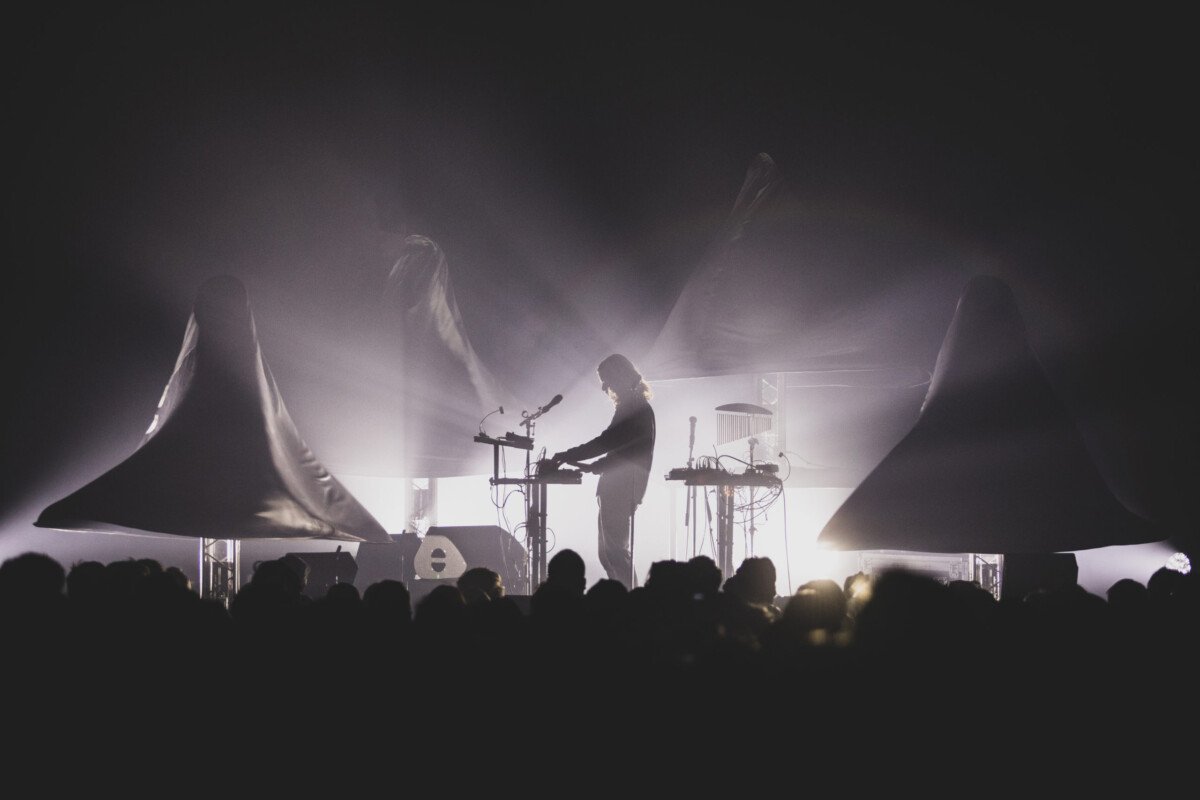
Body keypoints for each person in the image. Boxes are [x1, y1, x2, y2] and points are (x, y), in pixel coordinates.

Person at [550, 354, 655, 588]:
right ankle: (624, 598)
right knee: (610, 554)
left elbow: (607, 442)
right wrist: (597, 466)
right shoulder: (636, 406)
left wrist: (569, 455)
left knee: (615, 554)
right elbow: (624, 449)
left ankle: (626, 601)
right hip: (618, 486)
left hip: (621, 488)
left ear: (620, 376)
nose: (605, 386)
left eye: (606, 379)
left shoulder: (634, 407)